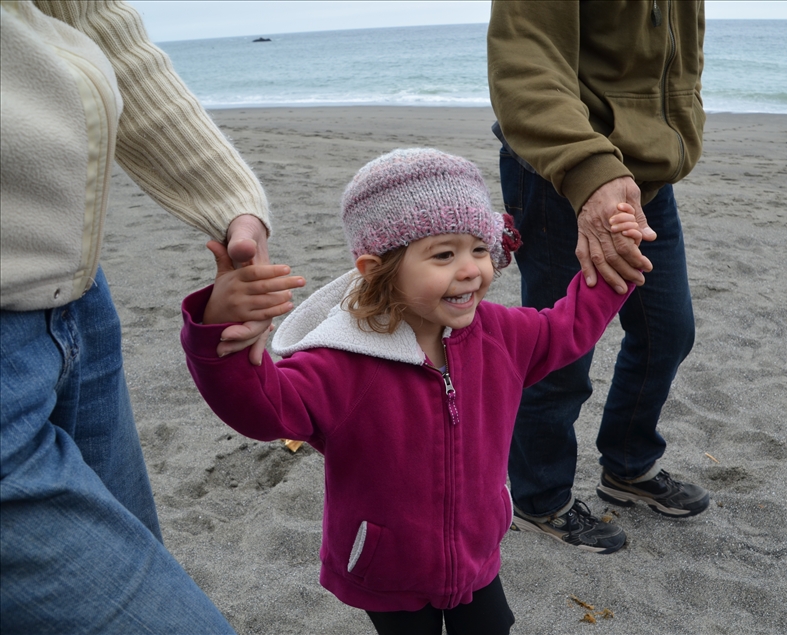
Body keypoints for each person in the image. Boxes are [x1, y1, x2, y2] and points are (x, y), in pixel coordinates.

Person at [180, 148, 644, 635]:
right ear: (377, 268)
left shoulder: (500, 334)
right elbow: (262, 410)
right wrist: (218, 334)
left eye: (480, 249)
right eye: (444, 254)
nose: (470, 269)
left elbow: (565, 328)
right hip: (389, 569)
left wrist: (618, 268)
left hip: (476, 549)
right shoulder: (340, 363)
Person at [0, 2, 301, 633]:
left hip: (77, 298)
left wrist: (233, 206)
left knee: (136, 546)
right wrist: (209, 335)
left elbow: (96, 25)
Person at [487, 0, 711, 555]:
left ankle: (627, 467)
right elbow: (525, 62)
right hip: (567, 172)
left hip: (648, 181)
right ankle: (540, 499)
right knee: (558, 351)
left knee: (668, 332)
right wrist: (588, 169)